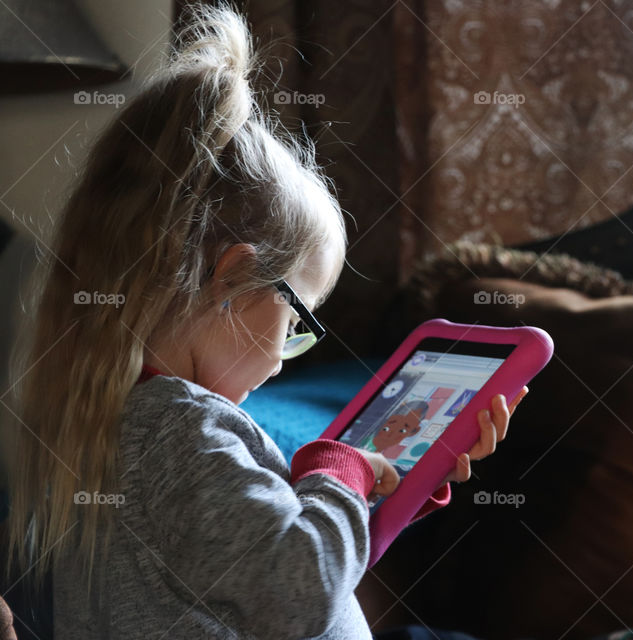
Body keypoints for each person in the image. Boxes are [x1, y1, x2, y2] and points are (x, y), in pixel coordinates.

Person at [0, 4, 527, 638]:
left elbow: (267, 555)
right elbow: (297, 591)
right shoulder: (179, 431)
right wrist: (340, 470)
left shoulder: (127, 424)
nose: (285, 355)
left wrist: (386, 486)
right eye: (297, 316)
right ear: (233, 278)